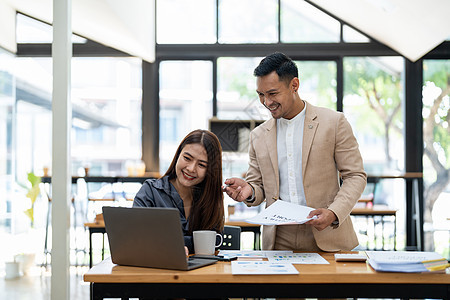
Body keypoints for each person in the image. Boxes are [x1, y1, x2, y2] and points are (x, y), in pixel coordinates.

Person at [223, 52, 366, 252]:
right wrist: (248, 191)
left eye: (272, 93)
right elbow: (259, 186)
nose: (266, 102)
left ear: (294, 85)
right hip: (278, 239)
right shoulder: (259, 135)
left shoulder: (333, 123)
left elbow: (355, 176)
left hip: (328, 234)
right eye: (261, 94)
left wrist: (333, 213)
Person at [133, 129, 224, 254]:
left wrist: (172, 243)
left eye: (202, 165)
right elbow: (136, 238)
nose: (191, 169)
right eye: (187, 158)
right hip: (158, 271)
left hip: (202, 271)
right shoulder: (150, 192)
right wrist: (188, 243)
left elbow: (214, 241)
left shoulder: (210, 198)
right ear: (178, 155)